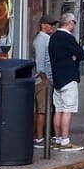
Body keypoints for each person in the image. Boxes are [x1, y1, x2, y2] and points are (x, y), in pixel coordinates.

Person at [47, 13, 84, 151]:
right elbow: (82, 54)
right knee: (67, 110)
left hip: (57, 78)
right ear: (70, 22)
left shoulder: (53, 37)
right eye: (74, 22)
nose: (74, 25)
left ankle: (57, 139)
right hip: (69, 78)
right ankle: (65, 140)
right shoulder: (68, 38)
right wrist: (74, 56)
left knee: (58, 109)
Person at [32, 14, 56, 148]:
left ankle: (41, 135)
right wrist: (44, 78)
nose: (52, 26)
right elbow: (39, 61)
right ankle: (39, 137)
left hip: (44, 78)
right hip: (42, 80)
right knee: (42, 109)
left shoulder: (45, 38)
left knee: (43, 109)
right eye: (50, 24)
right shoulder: (42, 40)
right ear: (43, 25)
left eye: (53, 24)